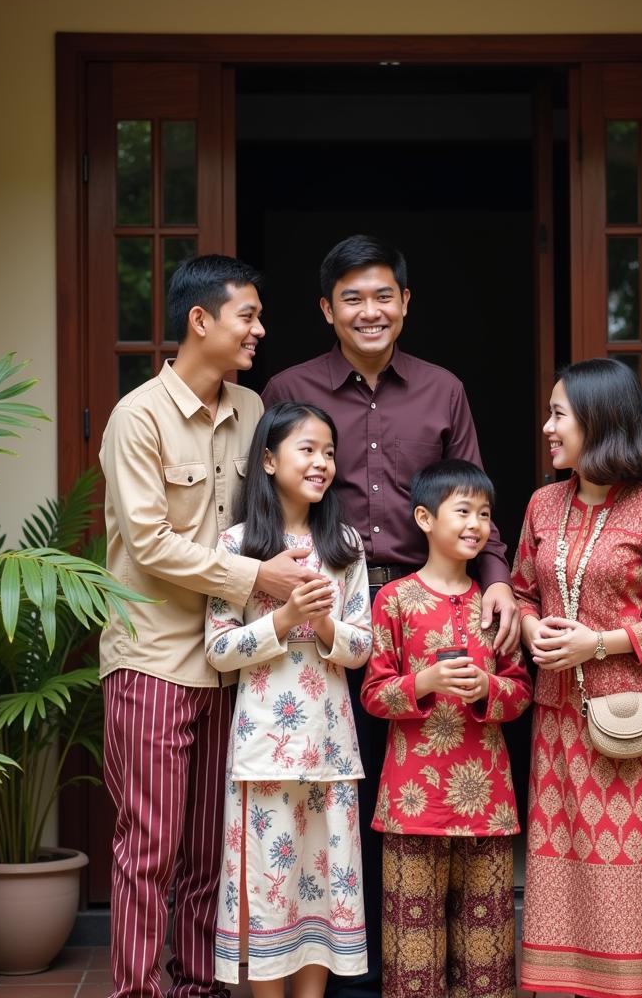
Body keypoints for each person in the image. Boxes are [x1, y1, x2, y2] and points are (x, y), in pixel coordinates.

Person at [261, 234, 521, 984]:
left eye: (383, 296)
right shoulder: (288, 388)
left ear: (405, 304)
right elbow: (265, 491)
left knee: (419, 779)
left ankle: (411, 969)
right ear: (325, 310)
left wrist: (497, 576)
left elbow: (472, 494)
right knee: (345, 787)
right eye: (352, 298)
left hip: (426, 606)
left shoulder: (444, 389)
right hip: (327, 608)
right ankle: (353, 967)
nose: (369, 311)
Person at [99, 255, 324, 998]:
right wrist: (259, 578)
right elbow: (150, 543)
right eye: (248, 316)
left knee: (207, 854)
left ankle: (199, 986)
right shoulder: (138, 417)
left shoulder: (256, 410)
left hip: (235, 664)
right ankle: (138, 991)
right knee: (150, 851)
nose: (260, 330)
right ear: (201, 321)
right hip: (154, 661)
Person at [512, 358, 642, 998]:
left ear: (599, 421)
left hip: (624, 723)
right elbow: (520, 591)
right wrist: (530, 623)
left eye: (559, 414)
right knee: (561, 868)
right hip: (555, 720)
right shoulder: (542, 504)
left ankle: (625, 988)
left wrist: (598, 642)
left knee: (619, 868)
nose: (548, 427)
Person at [204, 402, 373, 997]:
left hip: (331, 747)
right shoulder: (236, 544)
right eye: (307, 449)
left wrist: (323, 627)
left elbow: (361, 647)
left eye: (329, 452)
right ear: (269, 460)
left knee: (323, 887)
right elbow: (219, 649)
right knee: (268, 887)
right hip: (262, 752)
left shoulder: (345, 544)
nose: (322, 462)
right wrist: (286, 620)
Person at [360, 459, 532, 998]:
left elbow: (522, 691)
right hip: (412, 807)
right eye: (463, 511)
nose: (476, 524)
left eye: (484, 513)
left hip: (488, 803)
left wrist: (489, 691)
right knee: (413, 957)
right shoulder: (392, 601)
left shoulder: (498, 604)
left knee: (488, 955)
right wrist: (425, 681)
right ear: (424, 518)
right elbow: (372, 694)